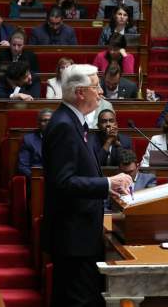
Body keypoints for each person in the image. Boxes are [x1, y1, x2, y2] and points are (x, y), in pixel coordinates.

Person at [42, 63, 132, 307]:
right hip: (73, 237)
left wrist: (107, 184)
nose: (101, 92)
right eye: (96, 87)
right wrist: (107, 183)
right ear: (80, 92)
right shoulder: (63, 125)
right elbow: (64, 182)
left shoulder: (73, 121)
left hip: (80, 234)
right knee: (79, 300)